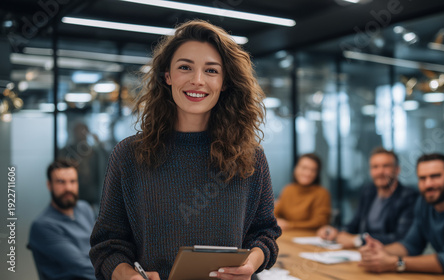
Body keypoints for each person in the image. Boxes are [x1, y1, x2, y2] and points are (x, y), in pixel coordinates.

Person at [89, 20, 281, 280]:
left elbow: (265, 234)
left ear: (224, 82)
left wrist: (251, 263)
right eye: (185, 67)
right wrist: (127, 276)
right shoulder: (128, 155)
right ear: (167, 75)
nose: (197, 80)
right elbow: (107, 245)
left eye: (211, 71)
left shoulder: (250, 157)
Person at [359, 153, 444, 274]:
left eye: (435, 176)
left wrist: (395, 262)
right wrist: (380, 251)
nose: (428, 184)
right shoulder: (424, 203)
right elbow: (410, 245)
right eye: (422, 178)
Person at [317, 147, 418, 248]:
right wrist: (335, 231)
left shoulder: (409, 197)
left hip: (389, 257)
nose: (380, 172)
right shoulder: (368, 192)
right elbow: (354, 224)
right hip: (362, 253)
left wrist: (359, 240)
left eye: (386, 166)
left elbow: (401, 237)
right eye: (375, 167)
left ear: (397, 170)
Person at [28, 159, 96, 280]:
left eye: (73, 181)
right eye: (61, 182)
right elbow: (80, 267)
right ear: (49, 185)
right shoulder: (43, 226)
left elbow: (99, 246)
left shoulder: (84, 209)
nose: (68, 188)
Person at [274, 153, 331, 230]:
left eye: (313, 170)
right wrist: (277, 221)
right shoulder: (288, 189)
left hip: (310, 237)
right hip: (287, 235)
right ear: (296, 168)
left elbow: (320, 222)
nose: (308, 173)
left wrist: (290, 225)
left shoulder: (322, 193)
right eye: (304, 168)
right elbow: (274, 213)